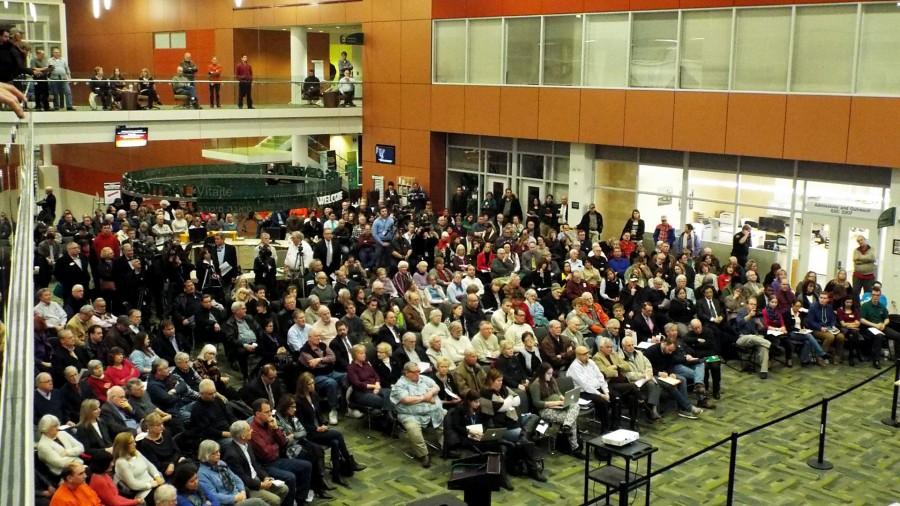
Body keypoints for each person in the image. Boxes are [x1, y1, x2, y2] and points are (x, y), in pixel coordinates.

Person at [390, 362, 446, 468]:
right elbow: (406, 400)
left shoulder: (424, 379)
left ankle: (446, 447)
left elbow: (436, 387)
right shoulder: (400, 385)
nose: (418, 374)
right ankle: (424, 454)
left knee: (446, 419)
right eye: (414, 372)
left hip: (432, 411)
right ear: (406, 373)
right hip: (410, 414)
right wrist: (426, 398)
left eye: (418, 371)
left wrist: (429, 393)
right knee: (413, 429)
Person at [528, 363, 584, 457]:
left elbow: (558, 393)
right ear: (542, 373)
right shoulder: (536, 384)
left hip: (558, 406)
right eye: (548, 374)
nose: (551, 376)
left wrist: (565, 399)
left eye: (551, 373)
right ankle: (575, 448)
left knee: (575, 405)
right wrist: (557, 403)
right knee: (572, 421)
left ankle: (567, 426)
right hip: (546, 410)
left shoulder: (551, 380)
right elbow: (537, 403)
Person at [642, 336, 705, 419]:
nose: (670, 353)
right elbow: (645, 367)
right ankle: (688, 407)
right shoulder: (651, 351)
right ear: (664, 344)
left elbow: (670, 363)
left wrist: (671, 373)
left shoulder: (670, 352)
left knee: (682, 379)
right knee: (671, 385)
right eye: (669, 350)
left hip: (664, 373)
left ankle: (682, 408)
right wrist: (658, 373)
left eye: (672, 351)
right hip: (652, 374)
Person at [196, 439, 272, 506]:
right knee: (257, 502)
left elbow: (236, 478)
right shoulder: (202, 474)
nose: (218, 454)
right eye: (214, 453)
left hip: (240, 494)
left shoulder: (221, 463)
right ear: (206, 455)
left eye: (218, 451)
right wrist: (234, 498)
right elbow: (213, 495)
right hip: (228, 503)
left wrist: (242, 491)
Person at [112, 432, 164, 500]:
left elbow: (150, 466)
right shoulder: (121, 463)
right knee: (166, 497)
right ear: (123, 446)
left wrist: (157, 476)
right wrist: (151, 484)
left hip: (153, 484)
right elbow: (133, 484)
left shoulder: (136, 452)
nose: (135, 444)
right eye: (131, 443)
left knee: (170, 492)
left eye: (134, 441)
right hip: (142, 493)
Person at [732, 299, 772, 379]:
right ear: (747, 304)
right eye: (751, 304)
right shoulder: (741, 312)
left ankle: (764, 370)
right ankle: (769, 344)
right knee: (752, 337)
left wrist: (760, 325)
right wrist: (749, 316)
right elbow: (738, 324)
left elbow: (757, 329)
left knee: (763, 347)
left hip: (754, 337)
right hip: (742, 338)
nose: (753, 306)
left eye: (755, 304)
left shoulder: (755, 314)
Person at [860, 285, 898, 369]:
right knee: (879, 336)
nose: (875, 297)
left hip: (881, 327)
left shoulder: (882, 306)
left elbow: (887, 318)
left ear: (880, 296)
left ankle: (897, 358)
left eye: (877, 295)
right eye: (874, 295)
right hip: (870, 328)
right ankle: (876, 360)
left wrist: (884, 324)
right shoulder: (865, 306)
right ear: (871, 295)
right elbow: (862, 320)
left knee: (898, 336)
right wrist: (875, 325)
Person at [806, 292, 845, 365]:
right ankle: (821, 356)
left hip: (829, 328)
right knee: (830, 337)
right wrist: (820, 327)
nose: (822, 300)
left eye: (824, 298)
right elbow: (810, 321)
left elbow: (833, 319)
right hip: (817, 329)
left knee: (841, 336)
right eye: (821, 298)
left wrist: (833, 325)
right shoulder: (813, 307)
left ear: (828, 299)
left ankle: (837, 356)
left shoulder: (829, 307)